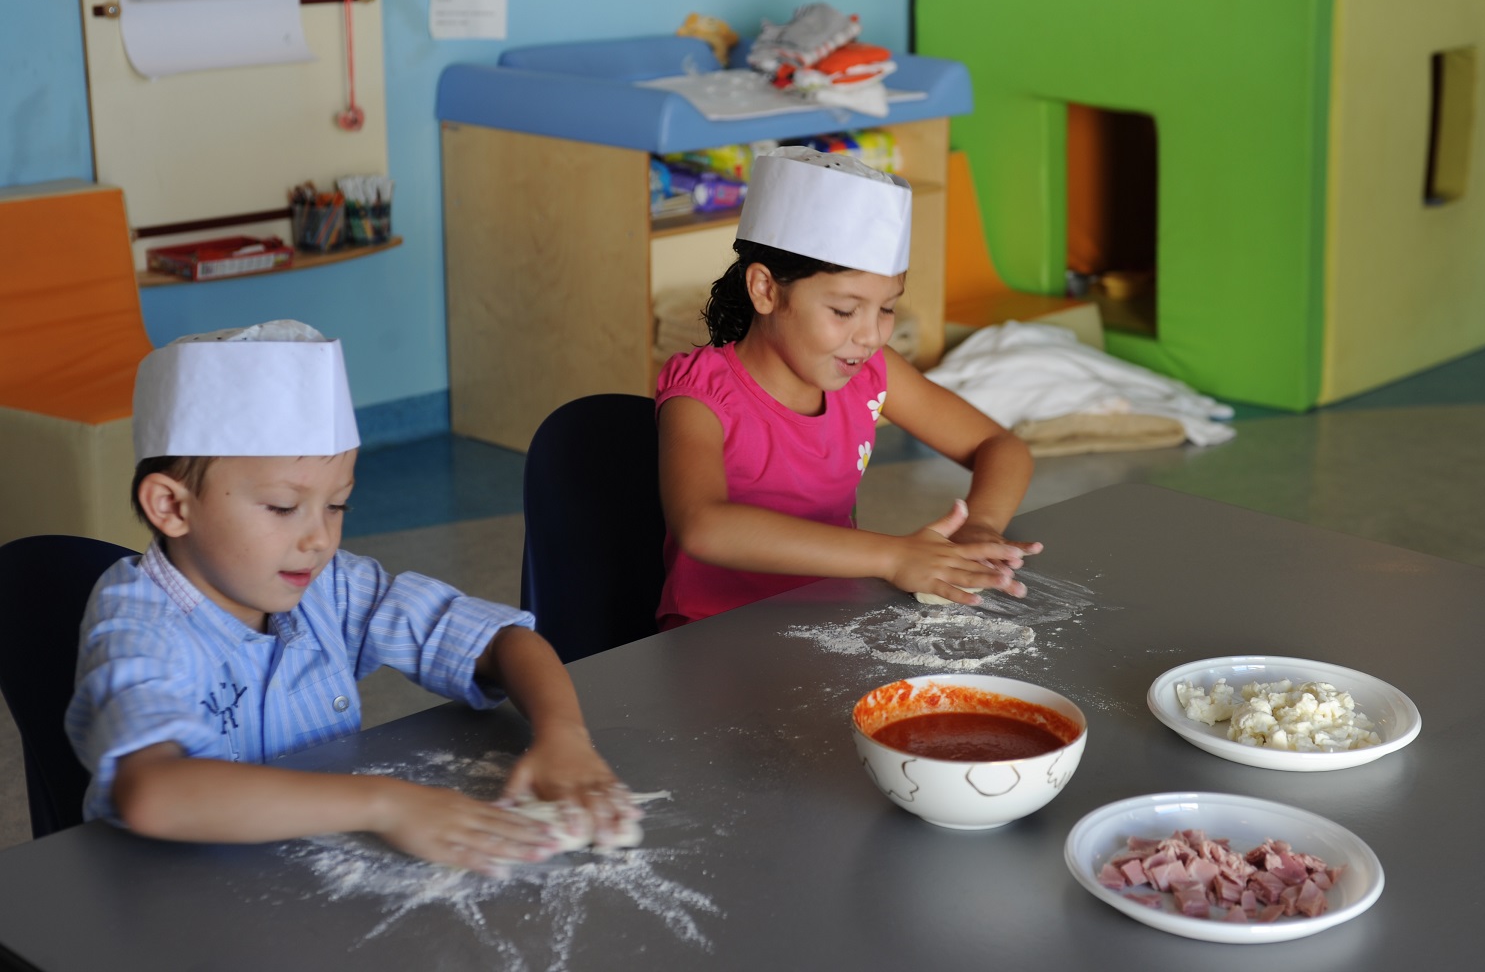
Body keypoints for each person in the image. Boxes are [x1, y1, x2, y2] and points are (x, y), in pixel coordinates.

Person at [67, 321, 635, 877]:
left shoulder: (330, 585)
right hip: (171, 906)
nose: (320, 539)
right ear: (172, 506)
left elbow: (500, 640)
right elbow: (153, 793)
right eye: (284, 508)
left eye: (337, 506)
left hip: (303, 883)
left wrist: (564, 736)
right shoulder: (137, 624)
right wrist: (386, 804)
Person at [656, 147, 1042, 630]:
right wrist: (894, 556)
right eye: (844, 310)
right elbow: (704, 526)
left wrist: (980, 525)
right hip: (711, 634)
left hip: (835, 619)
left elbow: (1000, 446)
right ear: (766, 290)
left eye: (886, 308)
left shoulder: (872, 373)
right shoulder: (702, 393)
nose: (870, 335)